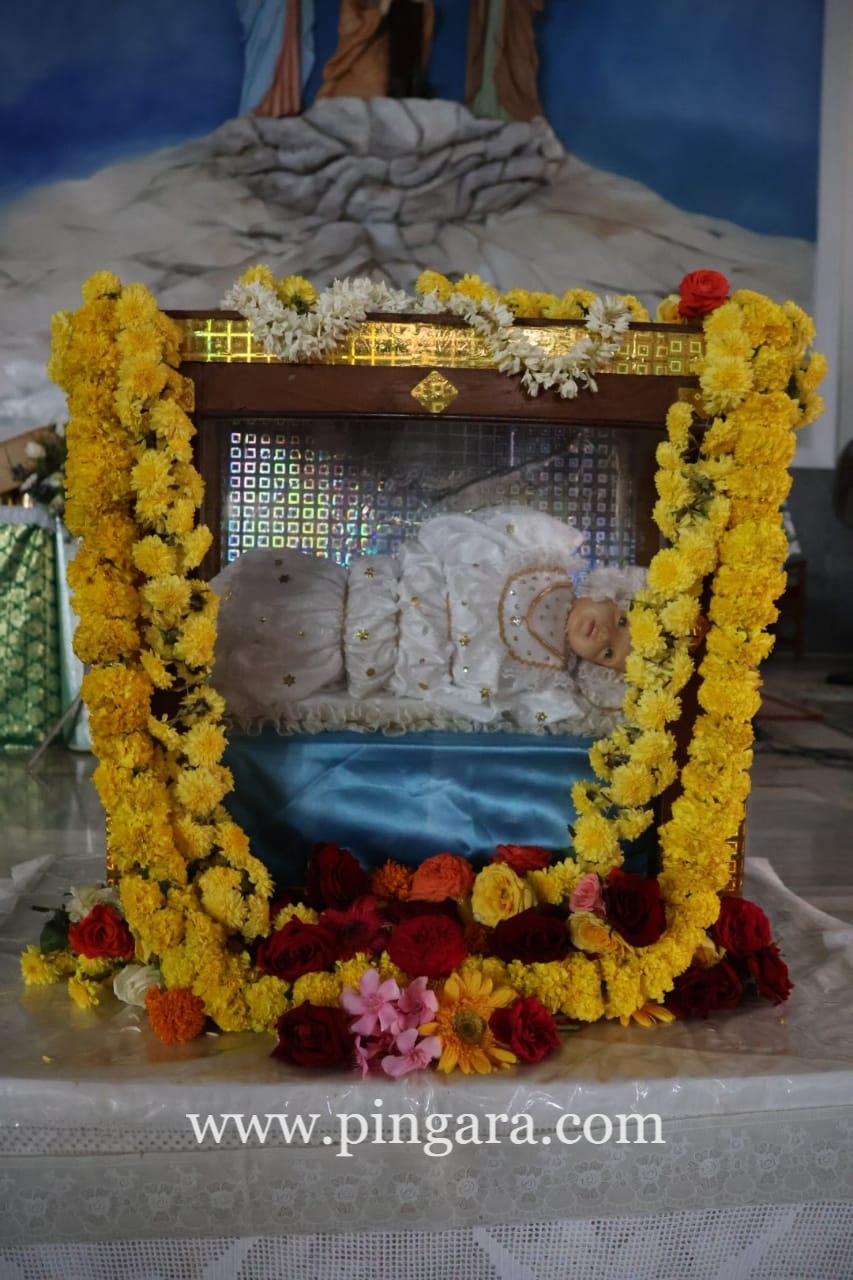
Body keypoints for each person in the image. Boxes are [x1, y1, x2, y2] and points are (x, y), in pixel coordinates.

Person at [210, 506, 642, 734]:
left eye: (608, 653)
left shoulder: (549, 680)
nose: (603, 635)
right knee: (279, 608)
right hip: (375, 595)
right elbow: (473, 535)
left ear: (599, 671)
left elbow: (495, 707)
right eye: (621, 622)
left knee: (279, 661)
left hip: (390, 660)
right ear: (615, 593)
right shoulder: (546, 560)